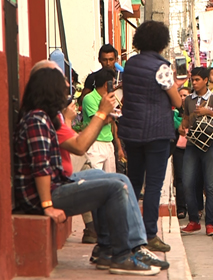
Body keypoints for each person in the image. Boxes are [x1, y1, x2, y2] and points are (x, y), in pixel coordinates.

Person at [13, 67, 161, 275]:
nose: (67, 94)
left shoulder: (43, 117)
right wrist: (47, 205)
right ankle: (122, 255)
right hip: (44, 196)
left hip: (57, 183)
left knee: (112, 177)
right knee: (115, 187)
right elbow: (41, 167)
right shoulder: (37, 120)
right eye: (63, 89)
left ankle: (110, 249)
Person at [118, 20, 185, 252]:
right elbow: (176, 100)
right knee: (154, 185)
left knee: (134, 182)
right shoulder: (162, 67)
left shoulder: (130, 64)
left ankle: (129, 232)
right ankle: (150, 234)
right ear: (162, 42)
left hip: (132, 132)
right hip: (157, 132)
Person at [180, 67, 213, 236]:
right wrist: (181, 126)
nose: (194, 82)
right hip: (192, 143)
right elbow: (185, 120)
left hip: (210, 143)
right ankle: (194, 220)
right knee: (187, 182)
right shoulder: (188, 100)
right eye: (193, 80)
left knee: (211, 184)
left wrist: (208, 111)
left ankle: (209, 223)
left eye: (198, 80)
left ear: (206, 80)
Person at [82, 68, 123, 172]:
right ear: (106, 84)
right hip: (95, 144)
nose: (114, 87)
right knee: (95, 179)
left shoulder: (108, 100)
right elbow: (98, 120)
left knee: (111, 179)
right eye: (113, 84)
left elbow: (112, 124)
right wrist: (113, 115)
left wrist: (118, 147)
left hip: (108, 143)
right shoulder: (89, 98)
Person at [173, 87, 191, 219]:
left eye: (185, 95)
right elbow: (176, 126)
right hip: (178, 149)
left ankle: (195, 207)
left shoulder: (195, 111)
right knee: (179, 179)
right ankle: (181, 208)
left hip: (193, 148)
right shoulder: (173, 113)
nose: (183, 98)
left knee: (194, 178)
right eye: (181, 95)